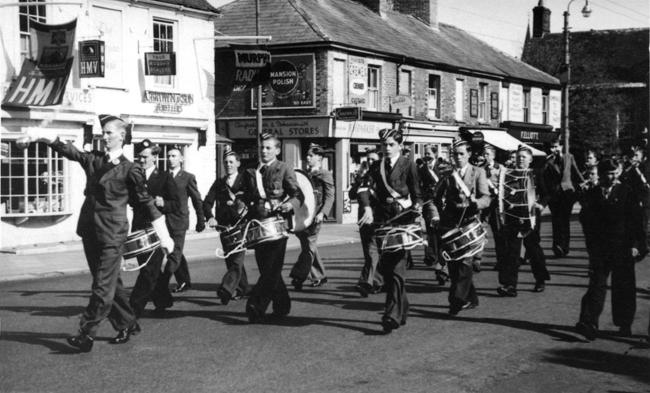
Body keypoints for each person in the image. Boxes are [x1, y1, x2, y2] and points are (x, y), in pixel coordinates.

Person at [23, 115, 173, 352]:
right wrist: (44, 137)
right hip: (90, 230)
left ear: (121, 136)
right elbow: (71, 151)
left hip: (113, 234)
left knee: (102, 286)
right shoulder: (95, 159)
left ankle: (86, 334)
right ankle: (127, 322)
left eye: (109, 133)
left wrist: (165, 237)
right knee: (109, 282)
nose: (105, 137)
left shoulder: (130, 168)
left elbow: (146, 203)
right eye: (103, 133)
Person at [358, 128, 422, 333]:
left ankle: (391, 315)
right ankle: (402, 308)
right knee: (387, 270)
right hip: (382, 221)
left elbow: (417, 192)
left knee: (396, 268)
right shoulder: (376, 166)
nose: (387, 148)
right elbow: (363, 187)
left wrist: (418, 206)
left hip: (402, 220)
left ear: (400, 146)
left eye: (391, 144)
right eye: (384, 145)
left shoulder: (408, 165)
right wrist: (367, 207)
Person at [575, 159, 643, 340]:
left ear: (618, 173)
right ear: (601, 174)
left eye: (614, 173)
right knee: (596, 284)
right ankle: (588, 323)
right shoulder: (592, 194)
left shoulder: (628, 193)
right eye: (607, 173)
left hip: (623, 247)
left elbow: (637, 222)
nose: (611, 177)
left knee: (623, 286)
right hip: (600, 248)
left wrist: (636, 245)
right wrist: (591, 244)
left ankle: (624, 323)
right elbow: (586, 220)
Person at [241, 133, 299, 323]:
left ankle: (256, 306)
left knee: (272, 269)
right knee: (267, 267)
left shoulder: (283, 169)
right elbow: (246, 196)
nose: (264, 151)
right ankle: (282, 305)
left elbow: (297, 194)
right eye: (262, 148)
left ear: (277, 150)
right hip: (258, 226)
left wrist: (289, 205)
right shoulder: (252, 170)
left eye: (268, 148)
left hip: (276, 225)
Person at [434, 139, 491, 315]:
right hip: (450, 224)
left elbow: (486, 198)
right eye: (455, 154)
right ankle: (471, 298)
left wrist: (477, 204)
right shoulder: (447, 174)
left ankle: (456, 300)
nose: (458, 158)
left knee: (465, 262)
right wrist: (436, 215)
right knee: (454, 265)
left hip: (469, 223)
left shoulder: (478, 172)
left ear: (468, 155)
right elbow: (436, 196)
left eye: (461, 154)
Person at [129, 140, 181, 319]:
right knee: (150, 268)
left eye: (145, 157)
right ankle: (163, 299)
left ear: (155, 157)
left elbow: (176, 204)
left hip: (156, 229)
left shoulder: (164, 177)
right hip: (138, 228)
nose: (141, 160)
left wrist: (163, 203)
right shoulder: (134, 175)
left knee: (149, 269)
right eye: (139, 157)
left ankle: (133, 308)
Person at [496, 145, 550, 297]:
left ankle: (540, 279)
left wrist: (542, 204)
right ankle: (510, 285)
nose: (520, 159)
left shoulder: (536, 174)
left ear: (530, 159)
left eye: (523, 157)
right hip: (513, 216)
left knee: (533, 249)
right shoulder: (509, 174)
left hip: (531, 216)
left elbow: (547, 193)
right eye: (518, 157)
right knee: (512, 252)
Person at [203, 150, 250, 305]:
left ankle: (226, 289)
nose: (228, 165)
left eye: (231, 162)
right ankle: (243, 288)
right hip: (224, 227)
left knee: (236, 259)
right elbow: (207, 202)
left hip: (241, 226)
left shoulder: (245, 180)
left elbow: (254, 199)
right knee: (231, 260)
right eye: (226, 162)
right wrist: (210, 217)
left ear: (238, 163)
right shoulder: (219, 183)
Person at [289, 143, 335, 290]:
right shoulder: (305, 175)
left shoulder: (325, 174)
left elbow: (330, 196)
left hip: (316, 217)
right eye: (307, 156)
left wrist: (323, 213)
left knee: (309, 245)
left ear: (320, 158)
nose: (307, 158)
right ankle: (319, 276)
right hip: (304, 215)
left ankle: (298, 276)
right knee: (308, 246)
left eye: (311, 156)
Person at [165, 145, 206, 293]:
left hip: (180, 221)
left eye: (174, 156)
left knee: (174, 253)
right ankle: (184, 281)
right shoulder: (163, 176)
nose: (170, 159)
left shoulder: (188, 177)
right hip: (164, 221)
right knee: (173, 251)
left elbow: (197, 200)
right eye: (169, 156)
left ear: (181, 159)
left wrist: (201, 220)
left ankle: (162, 282)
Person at [542, 137, 584, 258]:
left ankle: (565, 246)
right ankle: (557, 246)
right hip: (555, 194)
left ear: (561, 147)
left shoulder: (568, 157)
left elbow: (576, 171)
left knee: (564, 220)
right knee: (556, 220)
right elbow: (544, 177)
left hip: (567, 192)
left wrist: (583, 182)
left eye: (556, 147)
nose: (554, 149)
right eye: (552, 147)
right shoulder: (548, 161)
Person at [351, 152, 384, 297]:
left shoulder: (383, 178)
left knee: (374, 251)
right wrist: (359, 181)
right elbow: (352, 194)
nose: (370, 161)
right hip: (364, 219)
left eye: (373, 159)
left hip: (379, 219)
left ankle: (366, 282)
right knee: (369, 252)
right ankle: (376, 282)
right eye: (368, 159)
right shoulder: (364, 177)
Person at [418, 144, 445, 284]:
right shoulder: (421, 169)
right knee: (430, 230)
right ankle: (433, 256)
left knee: (442, 233)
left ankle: (440, 260)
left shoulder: (442, 167)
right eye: (425, 153)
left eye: (429, 153)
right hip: (428, 203)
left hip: (442, 203)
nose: (426, 156)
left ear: (435, 154)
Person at [619, 146, 650, 261]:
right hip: (631, 200)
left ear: (642, 157)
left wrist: (637, 169)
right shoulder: (629, 168)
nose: (634, 158)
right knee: (632, 225)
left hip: (644, 200)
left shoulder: (645, 167)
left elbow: (646, 183)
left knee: (642, 225)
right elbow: (621, 179)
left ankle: (643, 247)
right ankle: (637, 247)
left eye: (637, 155)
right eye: (633, 155)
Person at [482, 144, 506, 271]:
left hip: (496, 205)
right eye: (484, 154)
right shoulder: (481, 168)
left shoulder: (500, 168)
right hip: (485, 204)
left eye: (488, 154)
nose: (485, 156)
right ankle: (476, 260)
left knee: (498, 233)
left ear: (493, 155)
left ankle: (501, 260)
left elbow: (503, 186)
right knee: (481, 231)